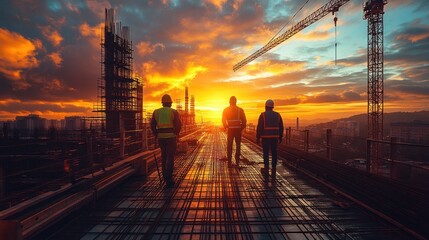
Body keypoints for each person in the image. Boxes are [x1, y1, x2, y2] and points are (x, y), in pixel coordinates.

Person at [151, 94, 182, 187]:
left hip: (161, 137)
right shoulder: (173, 112)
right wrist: (176, 134)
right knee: (170, 158)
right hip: (171, 137)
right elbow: (178, 125)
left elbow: (152, 125)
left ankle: (165, 176)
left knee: (164, 157)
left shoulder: (156, 112)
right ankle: (169, 179)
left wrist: (156, 134)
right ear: (170, 103)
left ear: (162, 103)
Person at [256, 99, 284, 179]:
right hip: (275, 137)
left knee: (266, 153)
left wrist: (258, 137)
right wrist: (280, 136)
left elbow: (259, 127)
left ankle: (266, 167)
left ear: (266, 106)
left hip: (265, 137)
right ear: (272, 107)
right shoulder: (278, 115)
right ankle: (274, 167)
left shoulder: (263, 115)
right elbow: (281, 127)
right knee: (274, 152)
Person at [222, 96, 247, 168]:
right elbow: (244, 121)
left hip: (230, 130)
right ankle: (237, 161)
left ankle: (229, 162)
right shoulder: (240, 110)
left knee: (229, 145)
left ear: (229, 102)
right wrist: (241, 127)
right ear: (236, 102)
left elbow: (223, 119)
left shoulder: (226, 110)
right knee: (238, 145)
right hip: (238, 130)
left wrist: (226, 127)